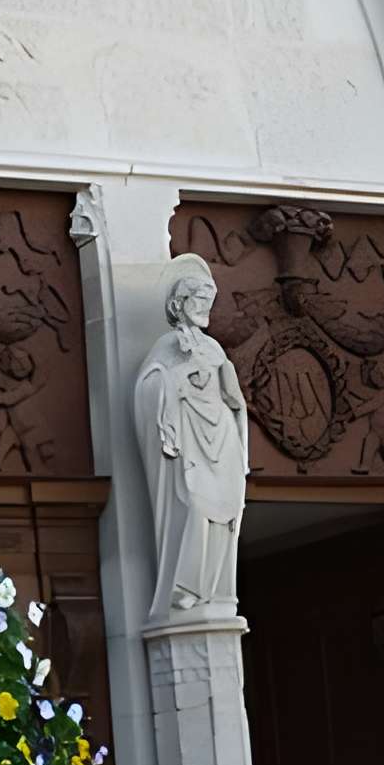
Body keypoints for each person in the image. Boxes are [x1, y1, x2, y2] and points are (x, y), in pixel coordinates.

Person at [136, 253, 249, 622]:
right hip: (190, 442)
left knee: (226, 514)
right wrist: (182, 374)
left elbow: (232, 397)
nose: (205, 310)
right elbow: (149, 387)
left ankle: (216, 588)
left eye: (208, 303)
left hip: (221, 438)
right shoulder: (167, 348)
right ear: (178, 304)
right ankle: (187, 587)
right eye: (198, 302)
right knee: (196, 505)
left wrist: (222, 374)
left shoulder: (213, 347)